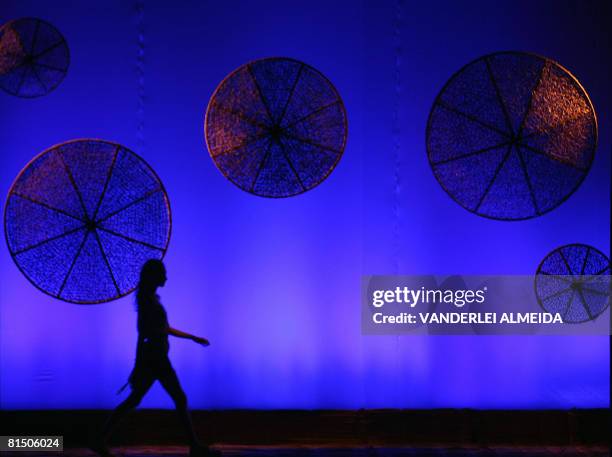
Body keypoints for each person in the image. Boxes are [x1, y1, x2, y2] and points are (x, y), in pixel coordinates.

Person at [93, 259, 215, 457]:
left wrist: (192, 337)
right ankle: (194, 446)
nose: (166, 277)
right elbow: (143, 334)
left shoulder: (150, 300)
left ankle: (99, 439)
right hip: (156, 359)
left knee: (134, 400)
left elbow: (162, 329)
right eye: (163, 273)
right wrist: (138, 365)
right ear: (155, 276)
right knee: (178, 398)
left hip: (154, 358)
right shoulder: (148, 302)